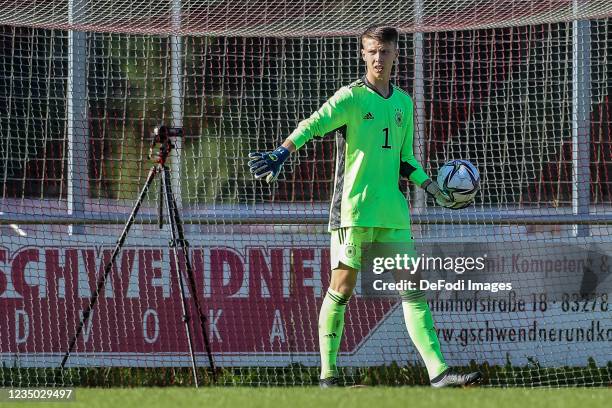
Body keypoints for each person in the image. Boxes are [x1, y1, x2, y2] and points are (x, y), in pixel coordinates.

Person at [248, 25, 481, 388]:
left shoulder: (404, 103)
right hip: (353, 213)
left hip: (392, 213)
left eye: (384, 51)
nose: (378, 57)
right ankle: (328, 375)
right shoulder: (350, 98)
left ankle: (438, 371)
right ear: (363, 54)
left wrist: (434, 188)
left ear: (395, 55)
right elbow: (311, 125)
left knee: (413, 290)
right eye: (371, 51)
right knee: (342, 288)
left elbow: (406, 160)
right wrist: (282, 152)